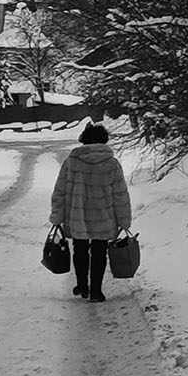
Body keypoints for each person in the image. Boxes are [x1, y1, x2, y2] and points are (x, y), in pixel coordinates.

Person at [49, 122, 131, 302]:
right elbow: (120, 195)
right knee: (99, 253)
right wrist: (124, 221)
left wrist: (57, 215)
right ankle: (96, 291)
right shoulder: (112, 164)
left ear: (84, 140)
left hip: (78, 217)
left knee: (79, 250)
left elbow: (60, 191)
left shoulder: (71, 162)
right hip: (104, 218)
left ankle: (82, 286)